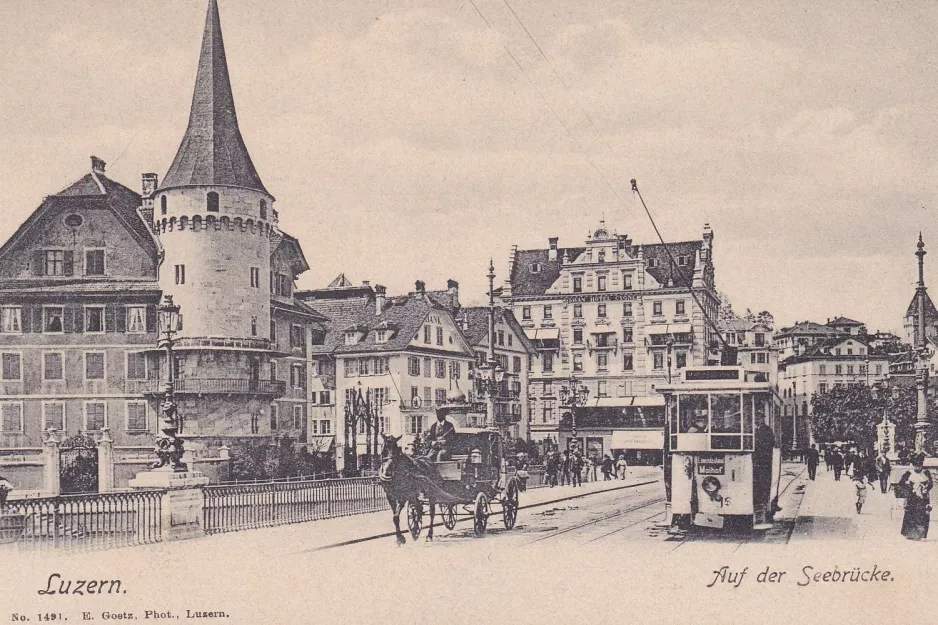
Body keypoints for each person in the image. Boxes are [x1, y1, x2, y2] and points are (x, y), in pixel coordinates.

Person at [898, 454, 934, 540]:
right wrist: (908, 487)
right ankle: (910, 534)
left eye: (920, 466)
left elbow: (931, 483)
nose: (918, 468)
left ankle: (920, 534)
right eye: (916, 466)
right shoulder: (908, 473)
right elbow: (901, 484)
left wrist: (927, 488)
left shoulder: (926, 473)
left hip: (923, 498)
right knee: (911, 515)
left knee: (922, 515)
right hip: (912, 498)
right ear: (913, 465)